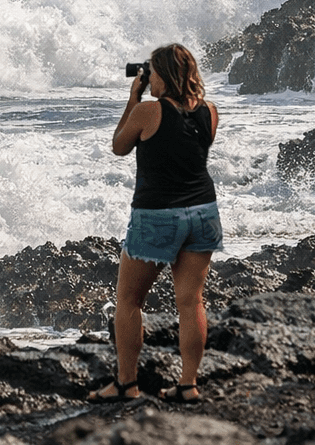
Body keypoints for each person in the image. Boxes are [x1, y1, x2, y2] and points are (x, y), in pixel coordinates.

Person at [87, 42, 221, 404]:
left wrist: (135, 95)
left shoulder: (148, 111)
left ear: (163, 74)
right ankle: (188, 386)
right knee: (191, 302)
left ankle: (126, 384)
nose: (150, 77)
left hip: (157, 214)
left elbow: (119, 146)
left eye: (153, 72)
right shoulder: (209, 111)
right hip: (203, 213)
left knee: (129, 300)